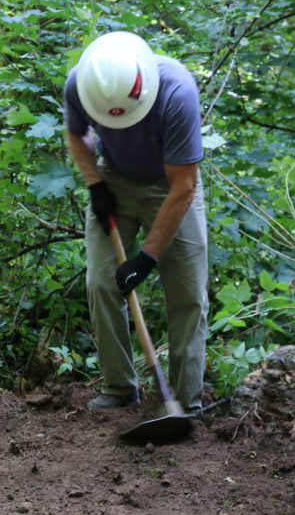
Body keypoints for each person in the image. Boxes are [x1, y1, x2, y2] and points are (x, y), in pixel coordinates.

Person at [64, 31, 208, 413]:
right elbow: (76, 134)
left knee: (188, 293)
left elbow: (184, 187)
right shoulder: (81, 83)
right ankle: (119, 388)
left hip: (172, 185)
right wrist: (95, 184)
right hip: (115, 180)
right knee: (101, 283)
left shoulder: (176, 92)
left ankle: (185, 401)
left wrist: (146, 258)